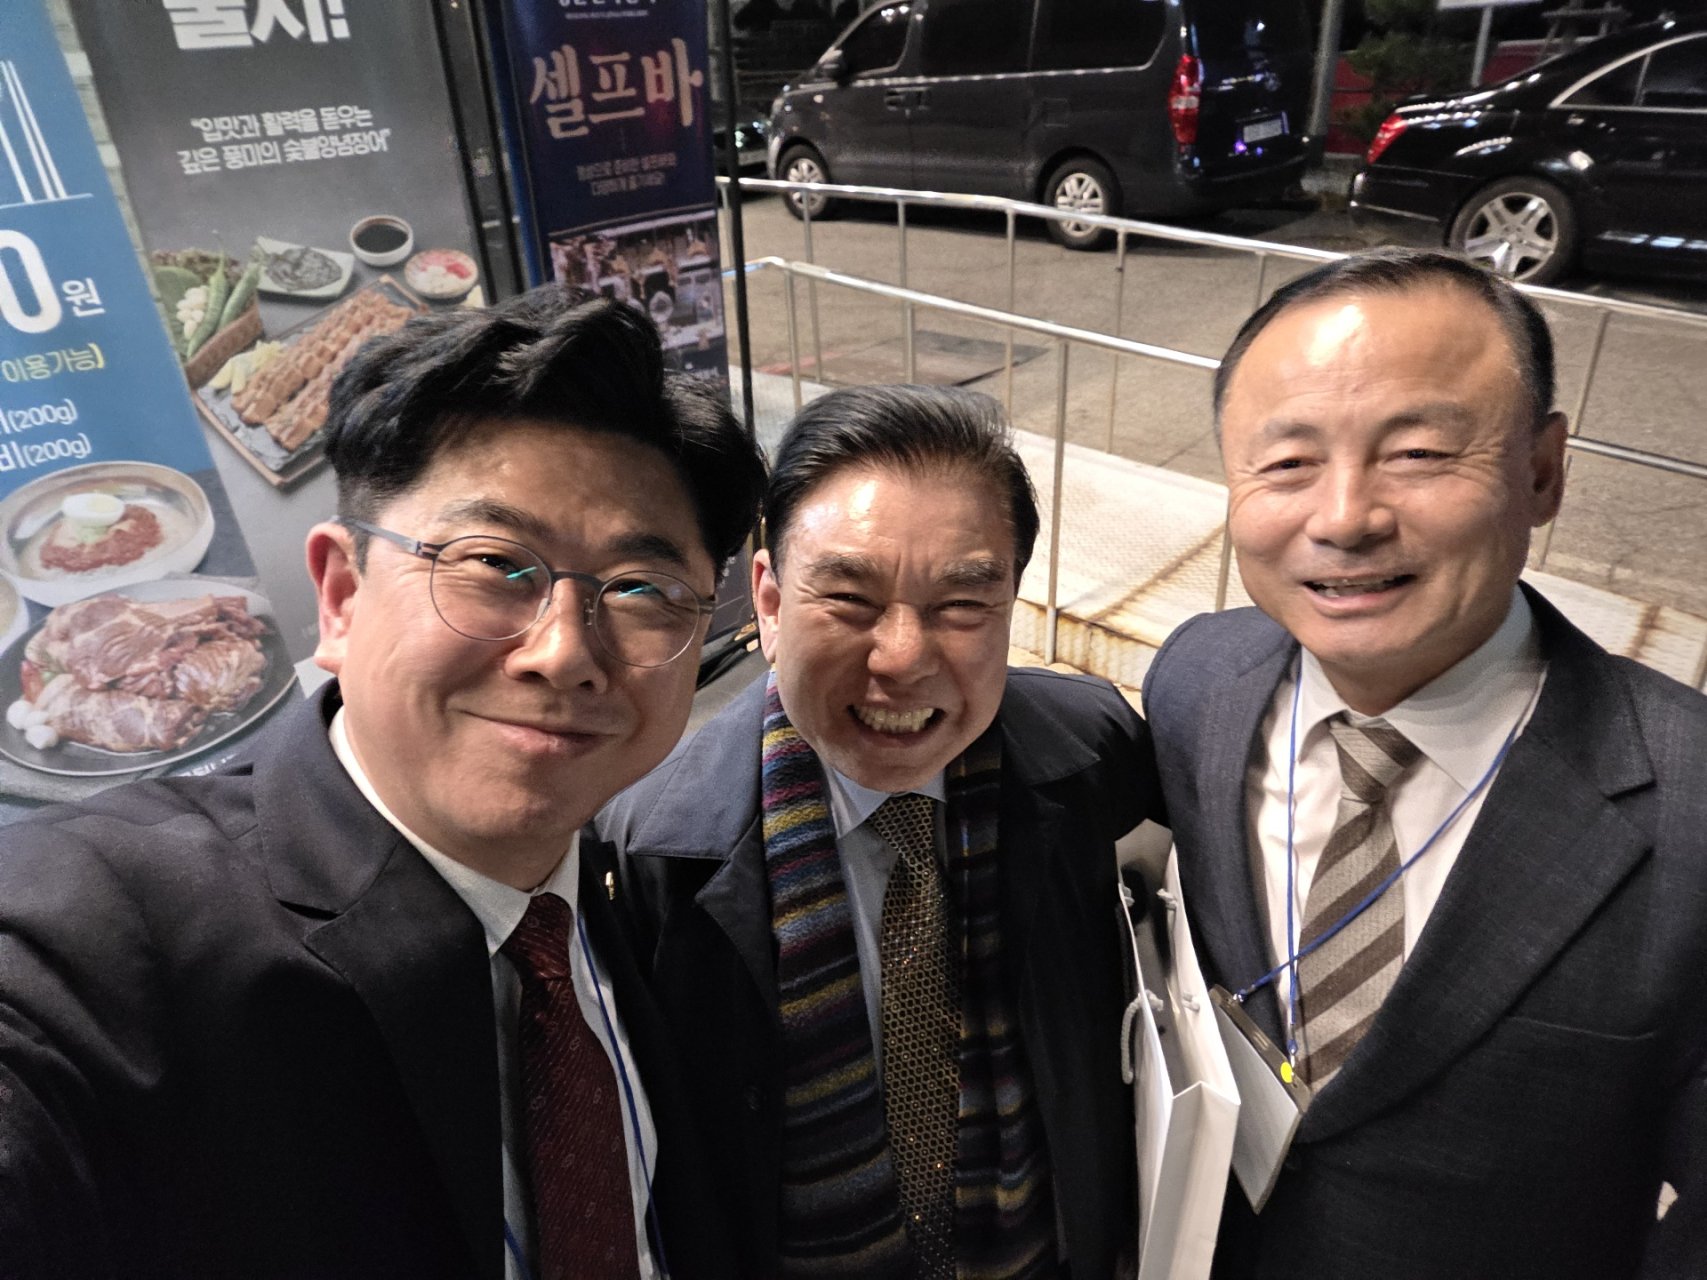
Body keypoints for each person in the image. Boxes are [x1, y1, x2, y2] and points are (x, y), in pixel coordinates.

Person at [0, 285, 766, 1280]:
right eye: (496, 565)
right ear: (342, 595)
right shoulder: (97, 939)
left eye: (641, 590)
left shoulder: (635, 891)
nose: (565, 654)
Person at [1142, 248, 1707, 1277]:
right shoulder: (1194, 683)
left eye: (1417, 452)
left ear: (1541, 472)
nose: (1344, 518)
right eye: (1287, 462)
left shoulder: (1689, 805)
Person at [594, 383, 1159, 1278]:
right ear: (768, 601)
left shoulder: (1094, 756)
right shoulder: (647, 846)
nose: (902, 658)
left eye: (961, 606)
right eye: (849, 599)